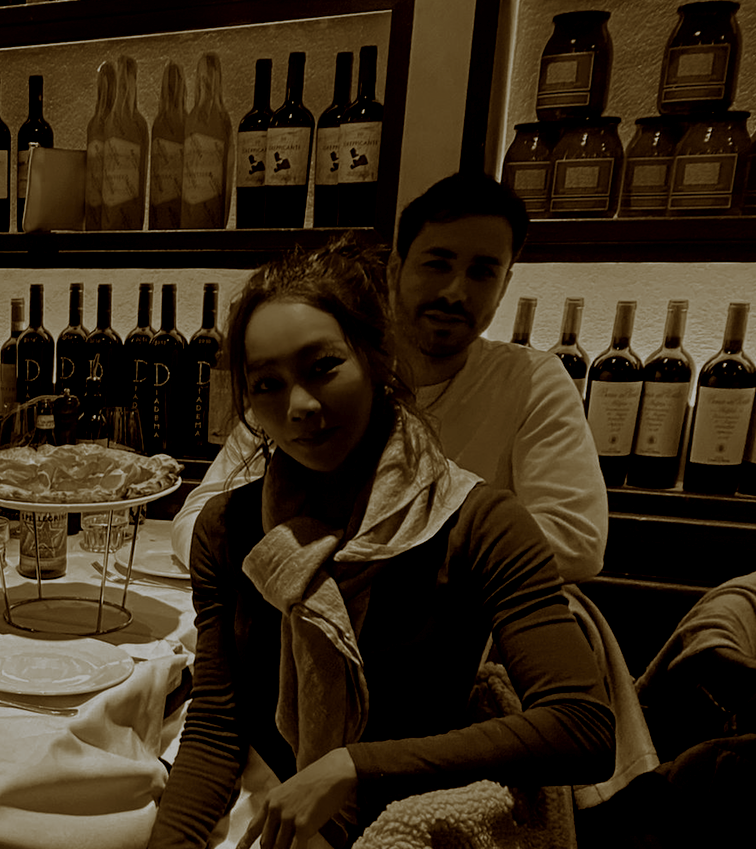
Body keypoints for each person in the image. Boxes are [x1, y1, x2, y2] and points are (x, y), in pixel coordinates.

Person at [134, 237, 614, 849]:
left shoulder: (479, 522)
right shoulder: (229, 528)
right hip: (262, 829)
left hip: (402, 842)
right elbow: (220, 721)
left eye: (323, 367)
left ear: (377, 358)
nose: (299, 405)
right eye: (267, 384)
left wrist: (351, 765)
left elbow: (583, 727)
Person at [172, 171, 607, 584]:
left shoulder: (531, 381)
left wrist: (374, 563)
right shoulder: (329, 373)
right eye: (437, 264)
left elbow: (578, 543)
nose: (455, 292)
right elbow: (196, 522)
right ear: (395, 270)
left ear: (504, 285)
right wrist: (302, 571)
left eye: (482, 271)